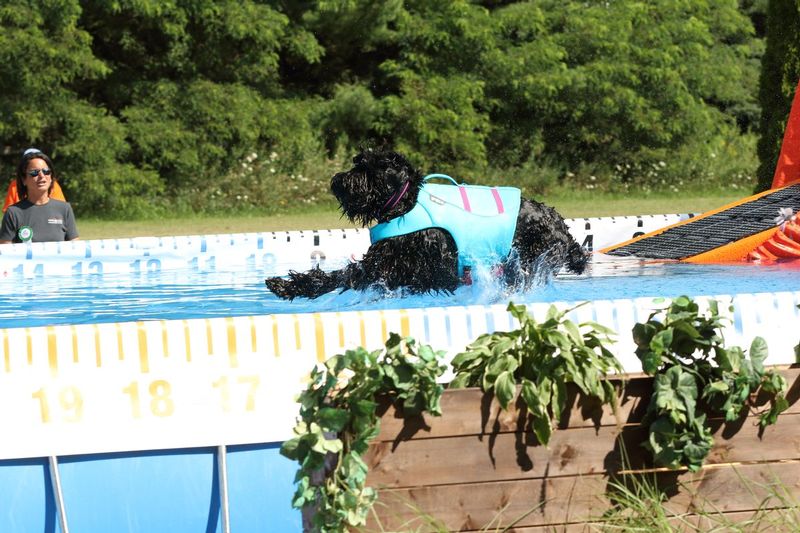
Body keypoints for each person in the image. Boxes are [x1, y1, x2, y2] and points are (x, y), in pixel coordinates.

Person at [0, 148, 79, 244]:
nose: (42, 176)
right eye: (34, 172)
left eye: (46, 171)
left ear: (51, 177)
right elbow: (5, 251)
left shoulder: (65, 209)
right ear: (24, 179)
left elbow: (75, 249)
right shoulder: (13, 213)